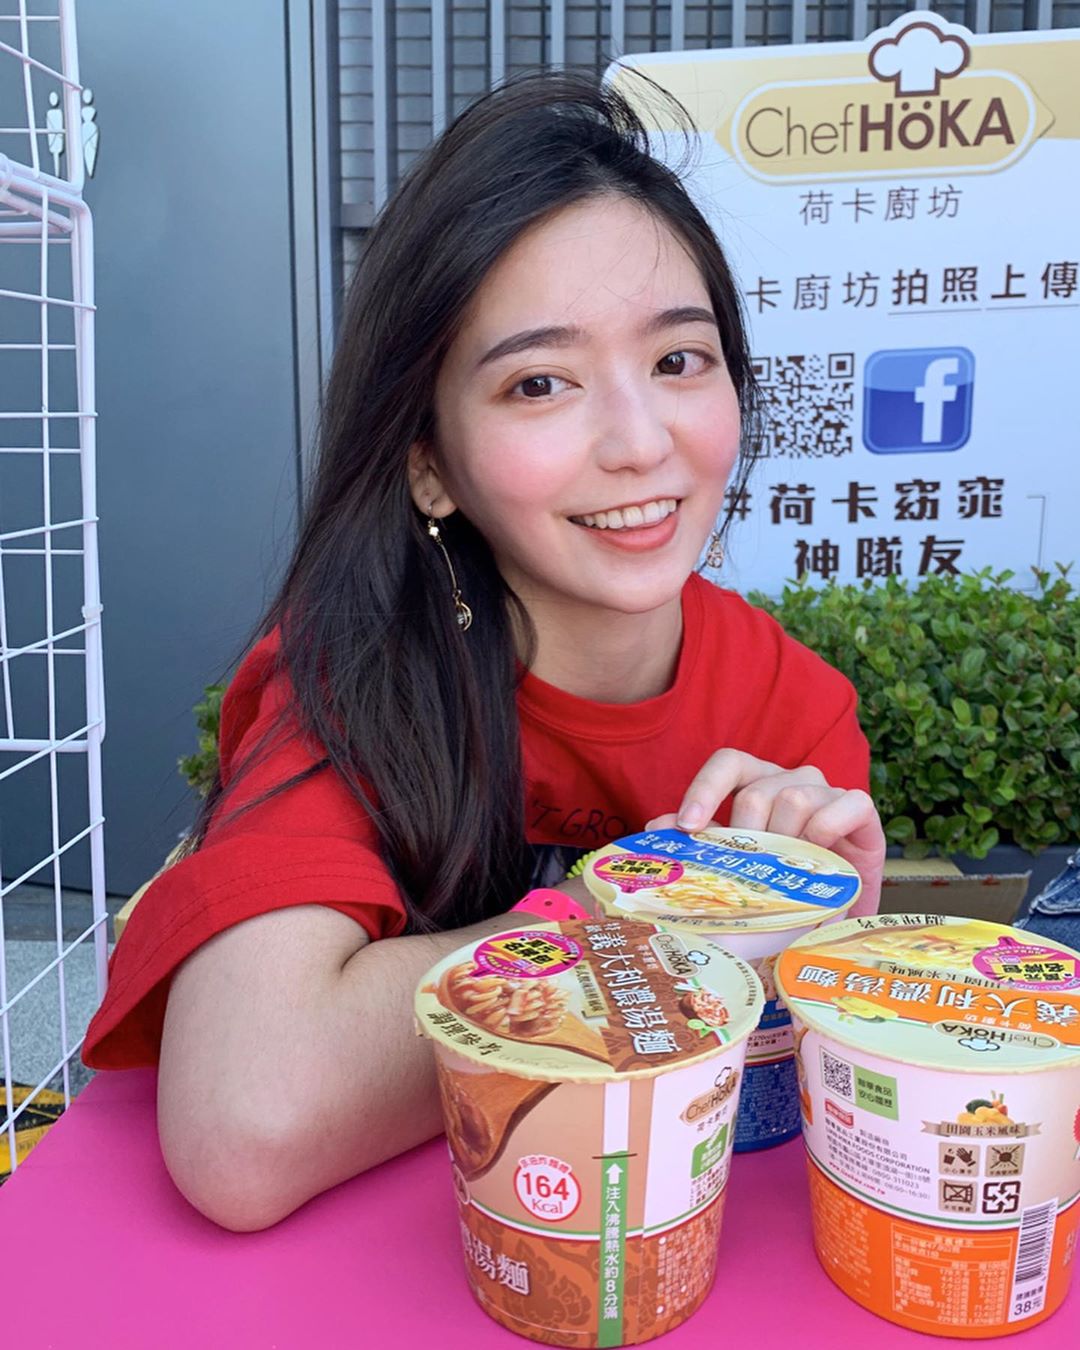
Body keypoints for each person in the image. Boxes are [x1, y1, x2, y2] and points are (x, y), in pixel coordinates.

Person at [83, 71, 885, 1231]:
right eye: (540, 382)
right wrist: (639, 920)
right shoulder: (357, 684)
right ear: (431, 466)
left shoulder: (791, 713)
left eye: (678, 360)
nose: (640, 441)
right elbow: (247, 1124)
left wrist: (828, 951)